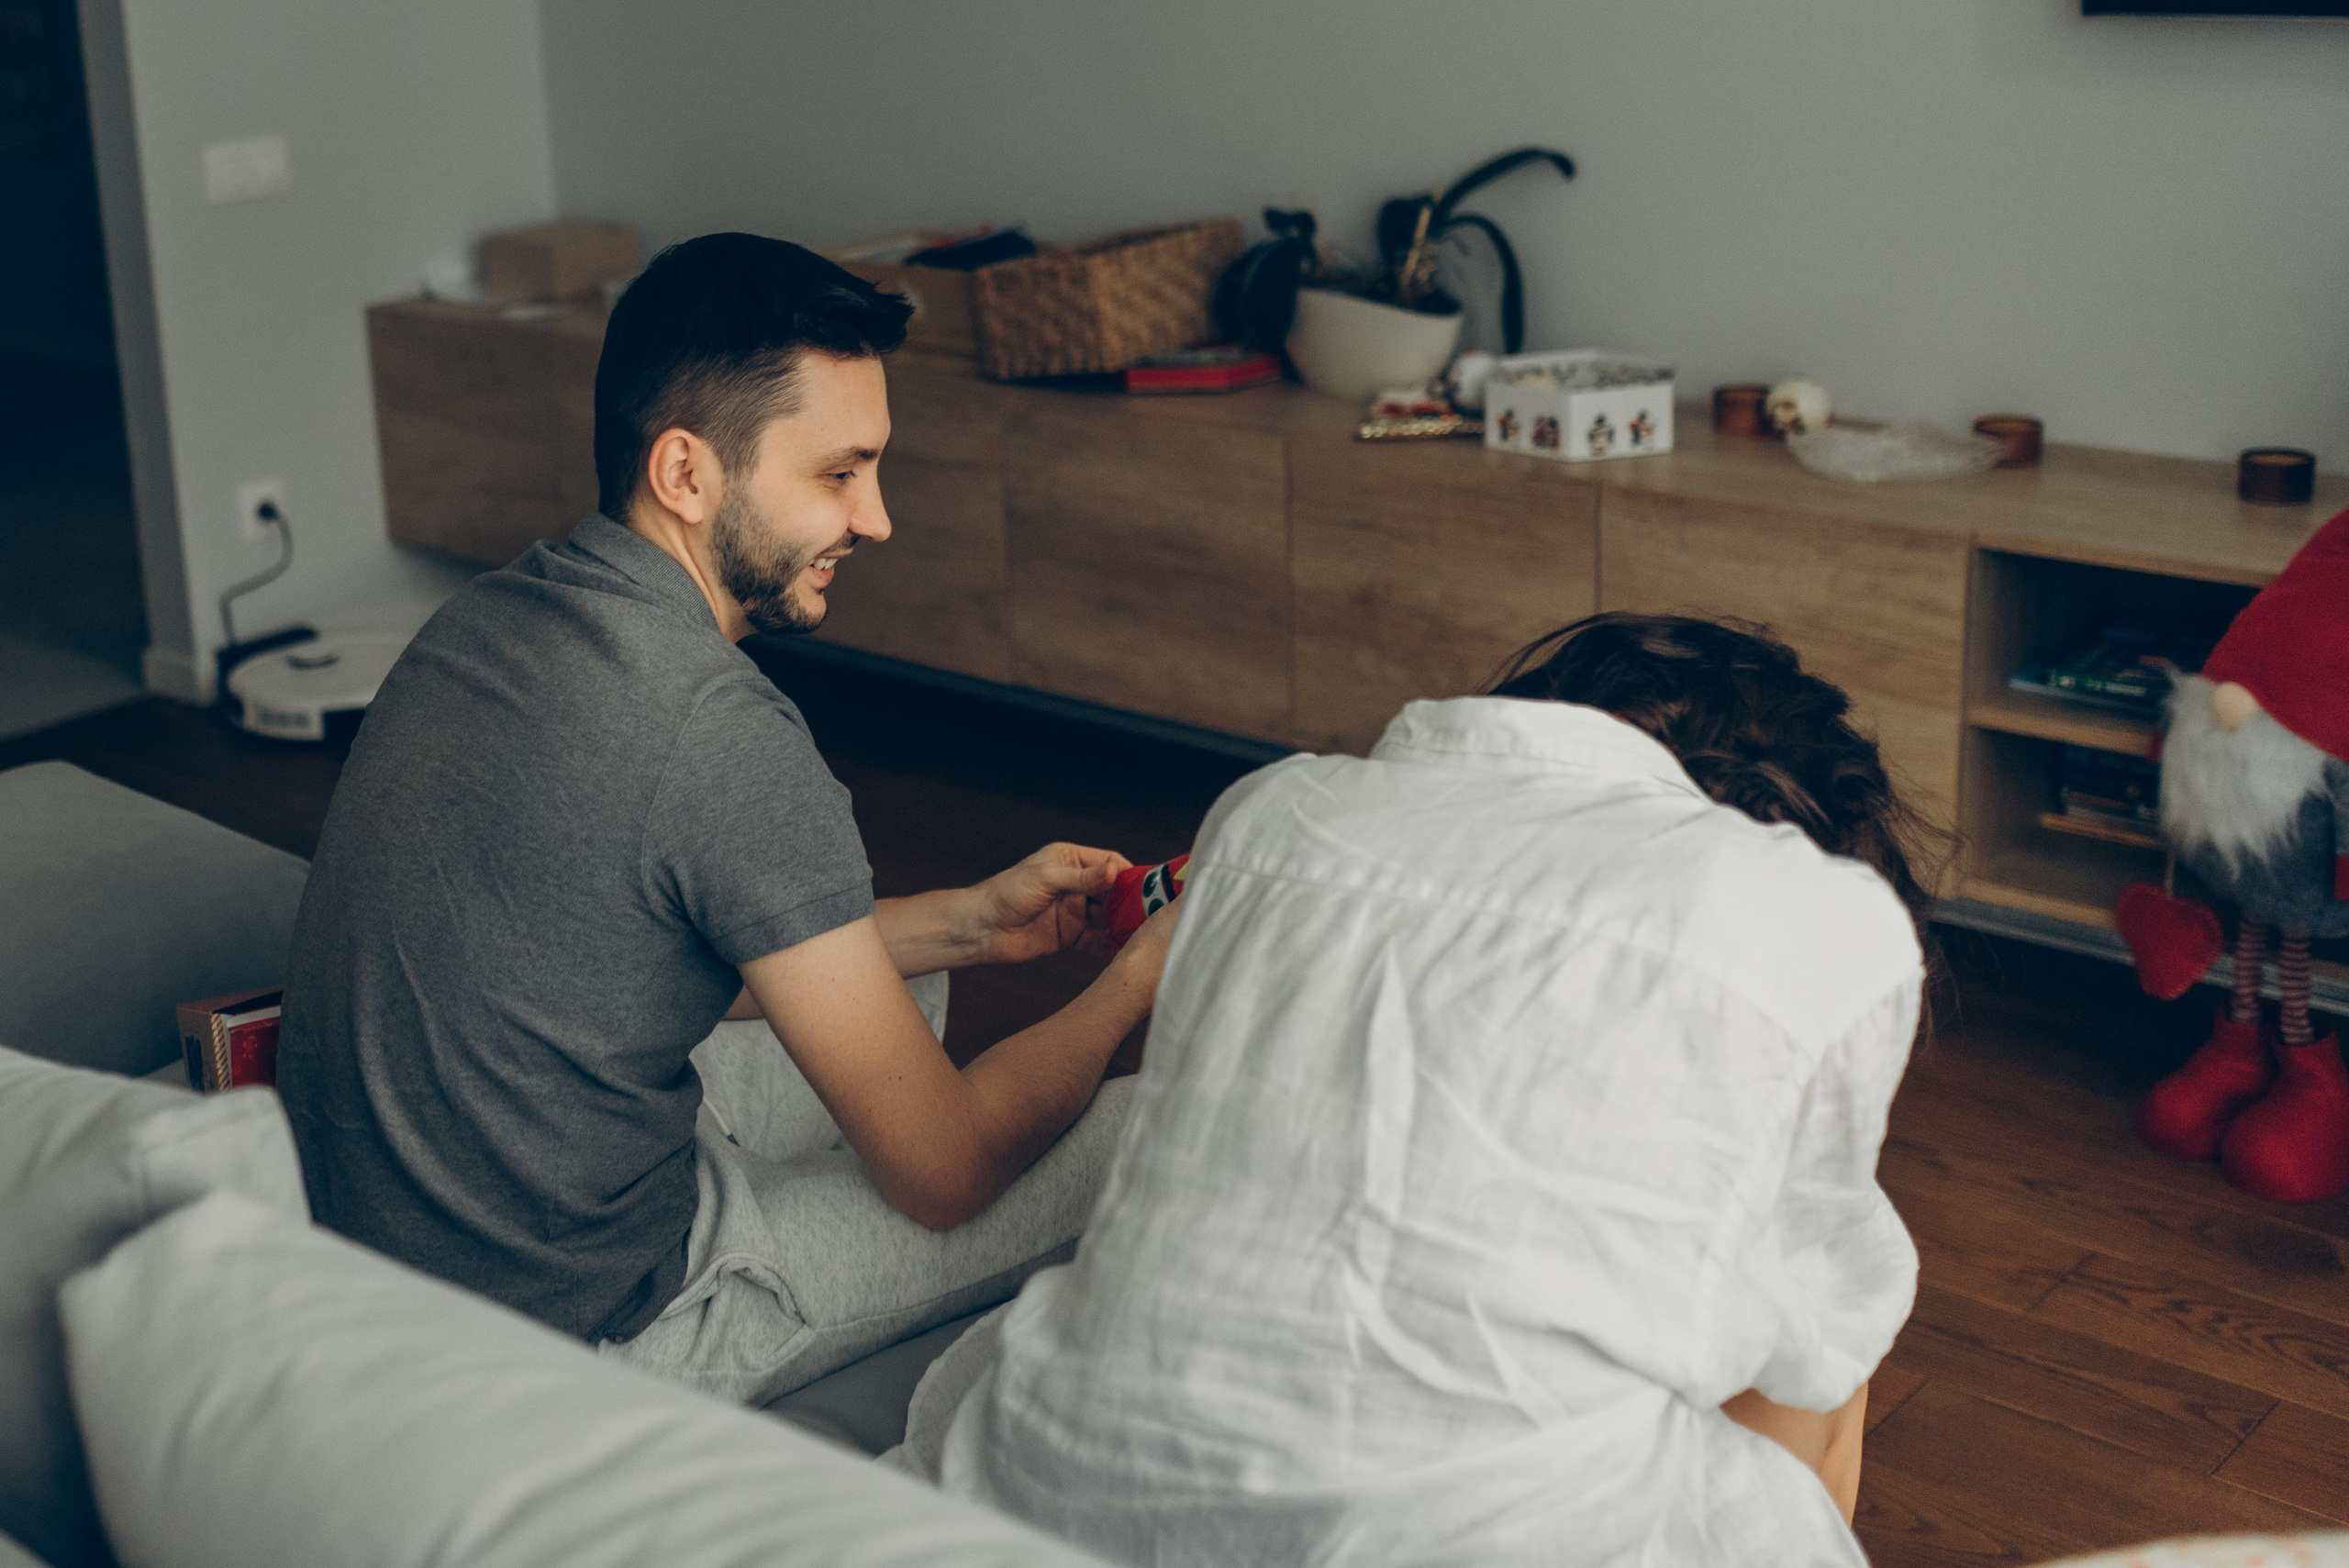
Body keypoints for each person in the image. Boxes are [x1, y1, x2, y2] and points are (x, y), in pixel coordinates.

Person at [276, 233, 1174, 1404]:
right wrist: (1137, 983)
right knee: (1136, 1132)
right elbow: (946, 1172)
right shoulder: (717, 728)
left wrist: (967, 923)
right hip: (581, 1330)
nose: (878, 518)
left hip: (390, 1260)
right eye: (838, 474)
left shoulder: (483, 619)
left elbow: (614, 958)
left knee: (909, 987)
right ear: (687, 474)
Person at [889, 613, 1937, 1568]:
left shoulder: (1271, 808)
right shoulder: (1812, 917)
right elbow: (1808, 1335)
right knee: (1834, 1314)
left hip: (1051, 1484)